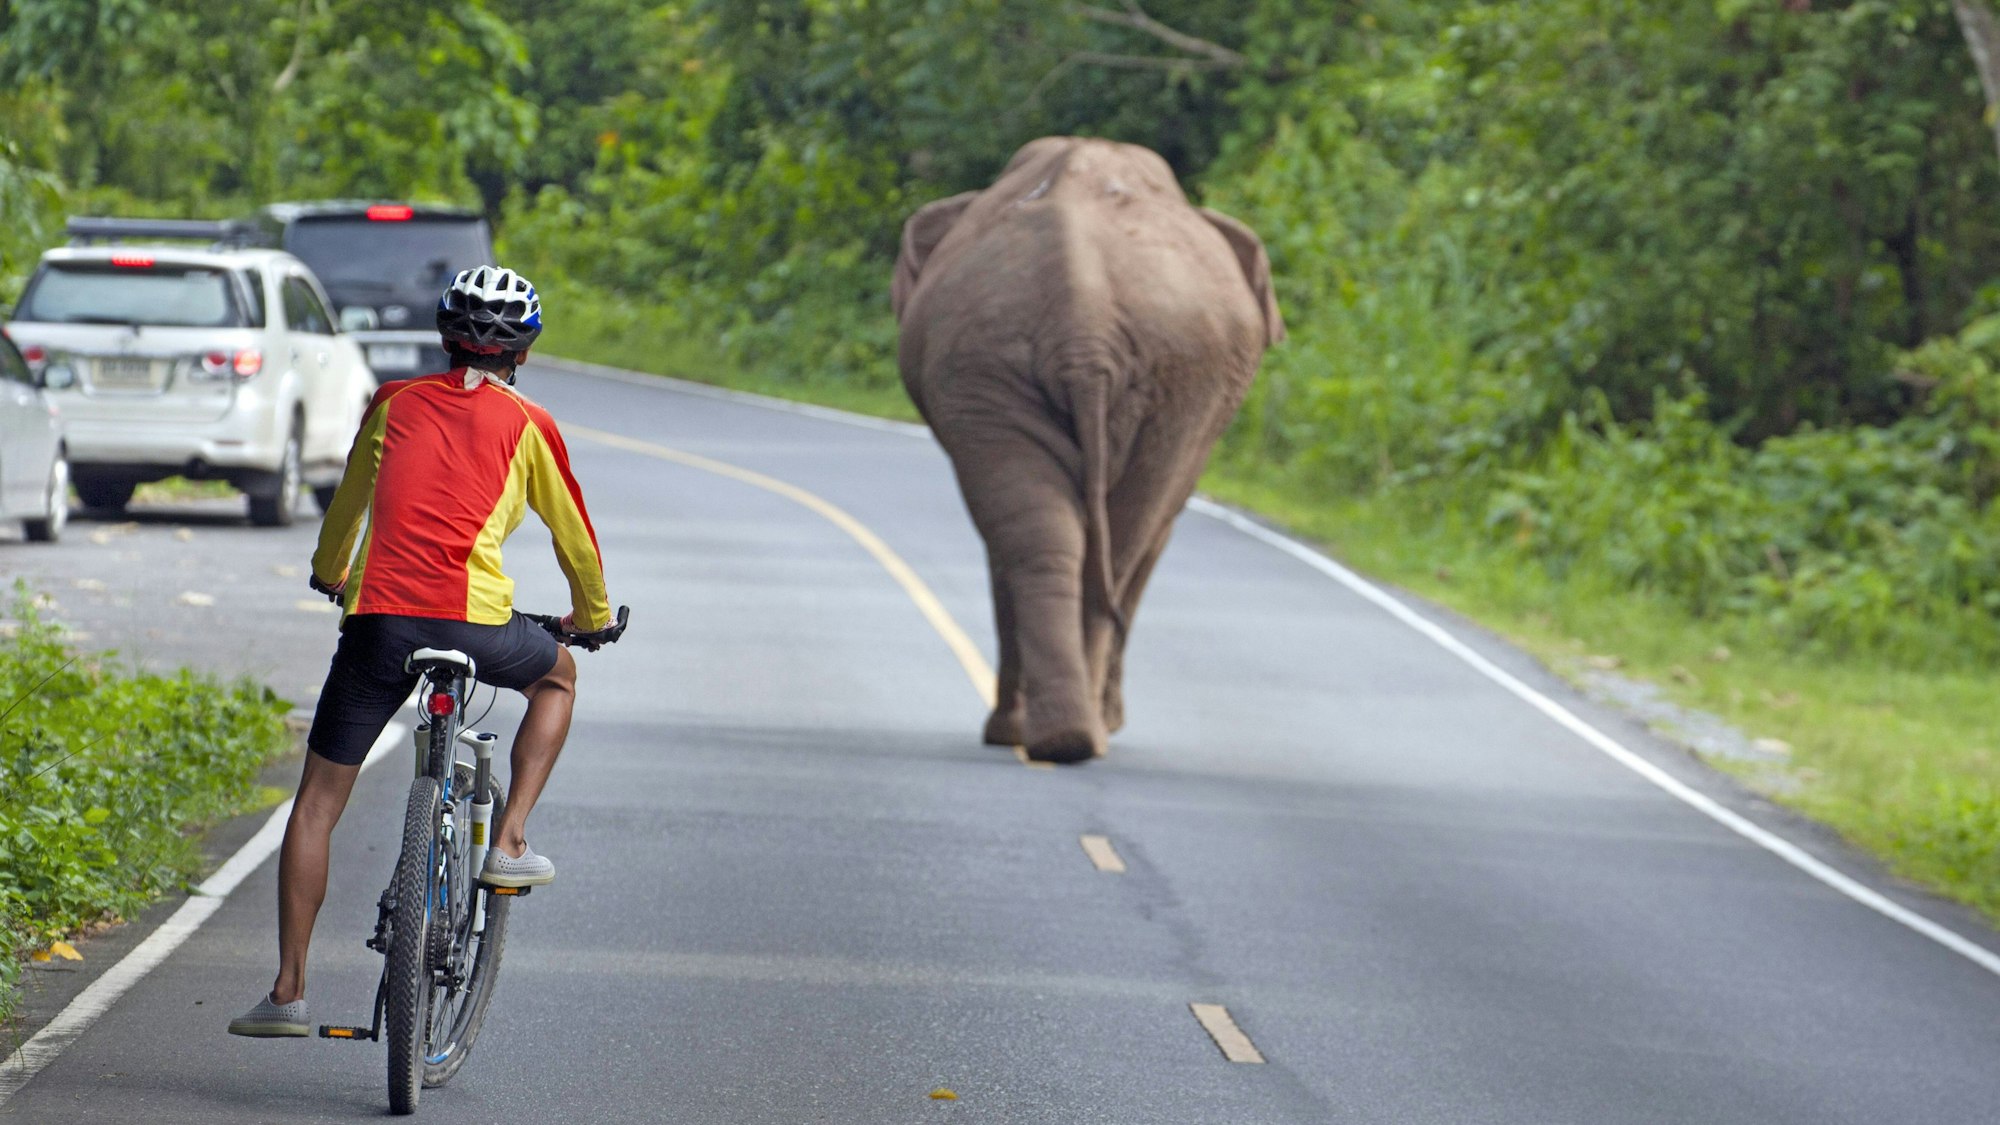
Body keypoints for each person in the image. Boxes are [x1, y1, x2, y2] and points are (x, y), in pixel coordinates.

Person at [230, 266, 613, 1038]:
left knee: (317, 803)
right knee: (560, 677)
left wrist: (331, 572)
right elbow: (574, 536)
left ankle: (288, 990)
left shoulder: (394, 403)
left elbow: (350, 501)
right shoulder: (531, 423)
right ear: (525, 354)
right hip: (478, 624)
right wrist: (591, 618)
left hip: (380, 624)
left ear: (443, 339)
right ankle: (507, 841)